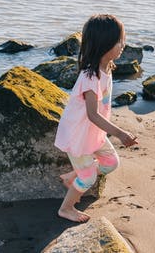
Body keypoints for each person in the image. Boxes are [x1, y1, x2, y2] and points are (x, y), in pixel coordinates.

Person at [54, 14, 138, 222]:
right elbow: (92, 114)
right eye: (119, 42)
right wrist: (119, 133)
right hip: (79, 133)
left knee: (111, 162)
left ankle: (72, 176)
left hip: (94, 131)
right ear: (104, 44)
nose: (123, 46)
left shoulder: (107, 68)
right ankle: (66, 207)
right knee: (89, 177)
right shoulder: (91, 77)